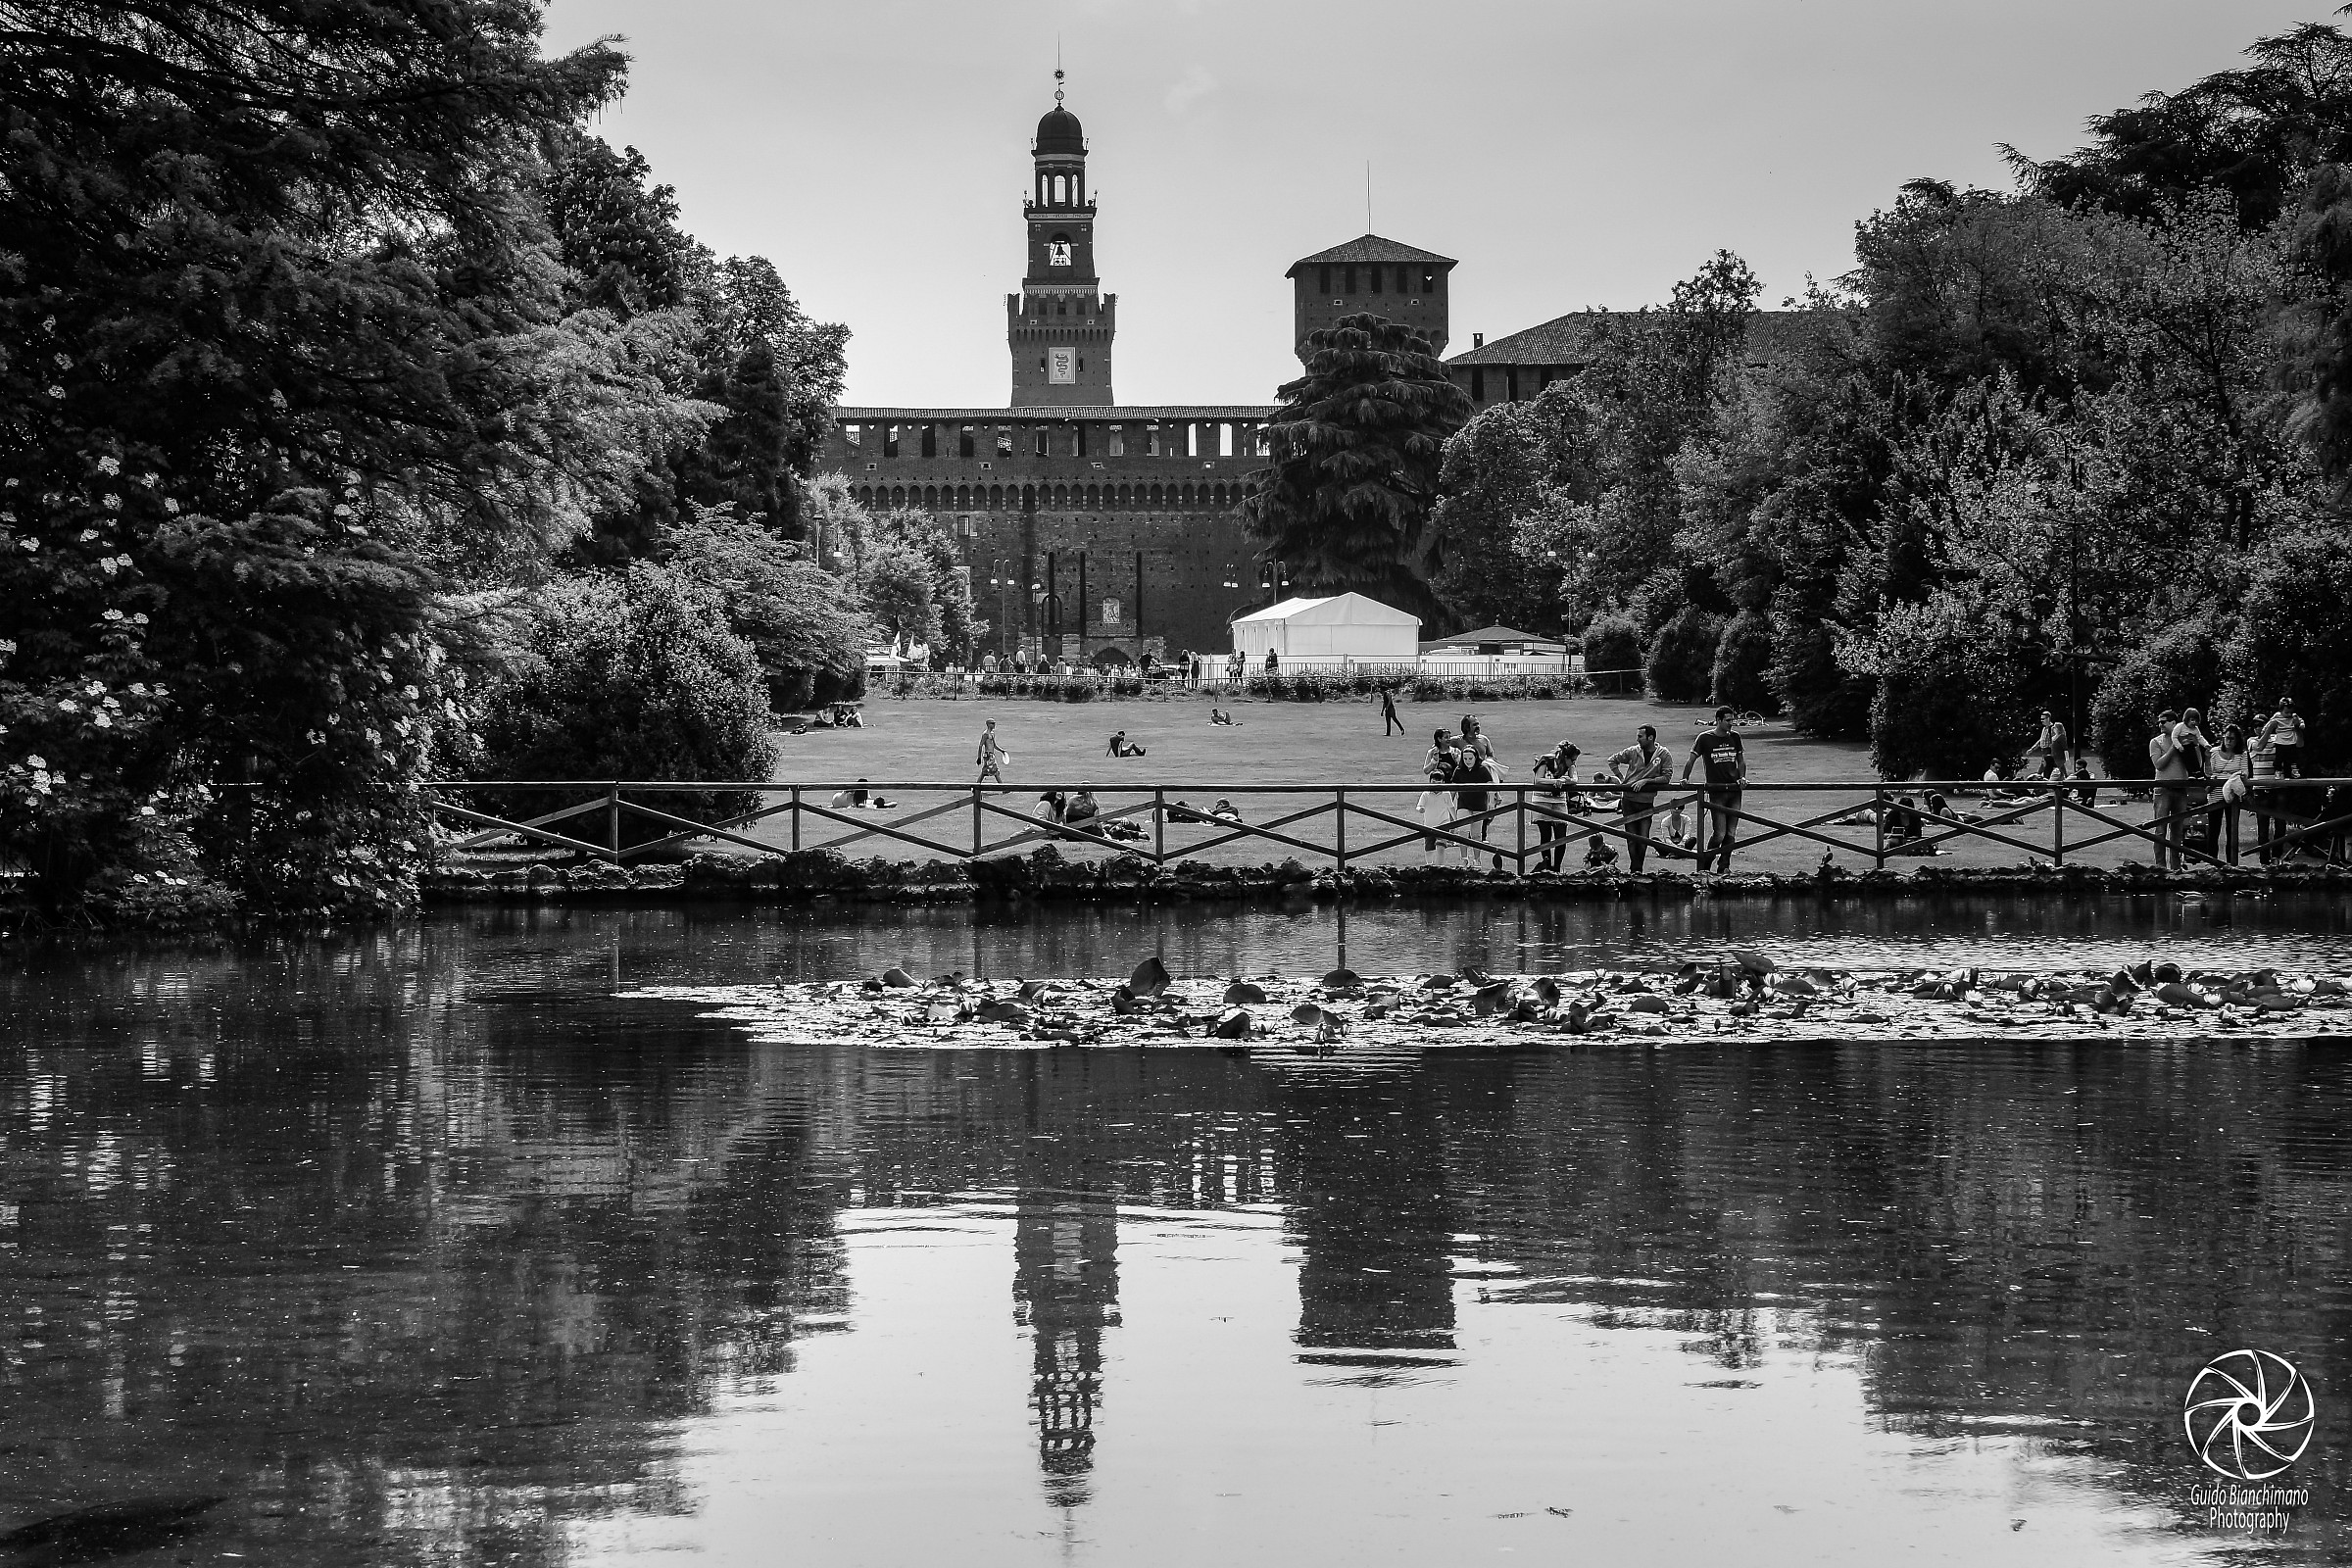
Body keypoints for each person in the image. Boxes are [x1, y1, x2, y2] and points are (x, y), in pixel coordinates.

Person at [1681, 707, 1746, 873]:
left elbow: (1740, 760)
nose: (1731, 723)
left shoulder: (1735, 737)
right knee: (1720, 833)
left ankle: (1724, 867)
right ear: (1718, 720)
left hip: (1734, 791)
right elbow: (1691, 759)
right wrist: (1685, 778)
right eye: (1728, 720)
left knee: (1731, 833)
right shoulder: (1704, 738)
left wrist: (1742, 777)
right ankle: (1705, 866)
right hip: (1716, 791)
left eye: (1732, 720)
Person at [1607, 724, 1672, 872]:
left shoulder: (1663, 754)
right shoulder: (1632, 751)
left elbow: (1667, 777)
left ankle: (1637, 869)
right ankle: (1635, 870)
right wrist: (1622, 779)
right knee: (1631, 838)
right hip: (1628, 800)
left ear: (1651, 738)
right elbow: (1612, 760)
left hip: (1646, 801)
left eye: (1640, 736)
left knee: (1643, 839)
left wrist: (1647, 781)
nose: (1637, 740)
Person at [2148, 709, 2193, 870]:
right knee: (2160, 830)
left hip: (2181, 789)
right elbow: (2159, 764)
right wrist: (2174, 747)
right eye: (2159, 722)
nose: (2160, 724)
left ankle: (2176, 867)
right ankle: (2160, 867)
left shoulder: (2186, 740)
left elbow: (2195, 763)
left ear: (2174, 723)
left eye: (2163, 721)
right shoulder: (2156, 742)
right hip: (2163, 790)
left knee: (2177, 831)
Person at [1531, 743, 1582, 872]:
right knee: (1545, 835)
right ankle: (1547, 867)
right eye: (1572, 760)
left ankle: (1557, 868)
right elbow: (1538, 780)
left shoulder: (1569, 765)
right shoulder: (1545, 760)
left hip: (1559, 801)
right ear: (1565, 756)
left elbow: (1574, 778)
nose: (1573, 763)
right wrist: (1554, 782)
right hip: (1541, 800)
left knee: (1561, 837)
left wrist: (1566, 780)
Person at [2211, 725, 2249, 863]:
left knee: (2232, 830)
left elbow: (2245, 773)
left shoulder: (2242, 754)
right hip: (2215, 795)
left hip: (2233, 796)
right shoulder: (2214, 752)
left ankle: (2231, 863)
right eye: (2227, 738)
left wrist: (2227, 776)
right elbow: (2210, 773)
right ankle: (2212, 862)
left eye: (2232, 739)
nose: (2229, 741)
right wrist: (2229, 776)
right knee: (2213, 830)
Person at [2026, 709, 2070, 778]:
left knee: (2046, 763)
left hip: (2049, 750)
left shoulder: (2052, 728)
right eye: (2041, 719)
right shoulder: (2044, 728)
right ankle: (2063, 775)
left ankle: (2039, 776)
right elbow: (2041, 740)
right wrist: (2032, 749)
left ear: (2048, 719)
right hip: (2044, 750)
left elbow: (2057, 740)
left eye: (2043, 719)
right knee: (2054, 764)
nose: (2042, 721)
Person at [976, 718, 1008, 785]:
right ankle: (1003, 788)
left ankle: (976, 787)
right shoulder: (985, 734)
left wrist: (1001, 750)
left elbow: (994, 745)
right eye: (992, 723)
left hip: (991, 755)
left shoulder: (992, 734)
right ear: (988, 724)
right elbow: (980, 745)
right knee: (995, 771)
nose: (994, 725)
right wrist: (979, 757)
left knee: (985, 772)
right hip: (988, 756)